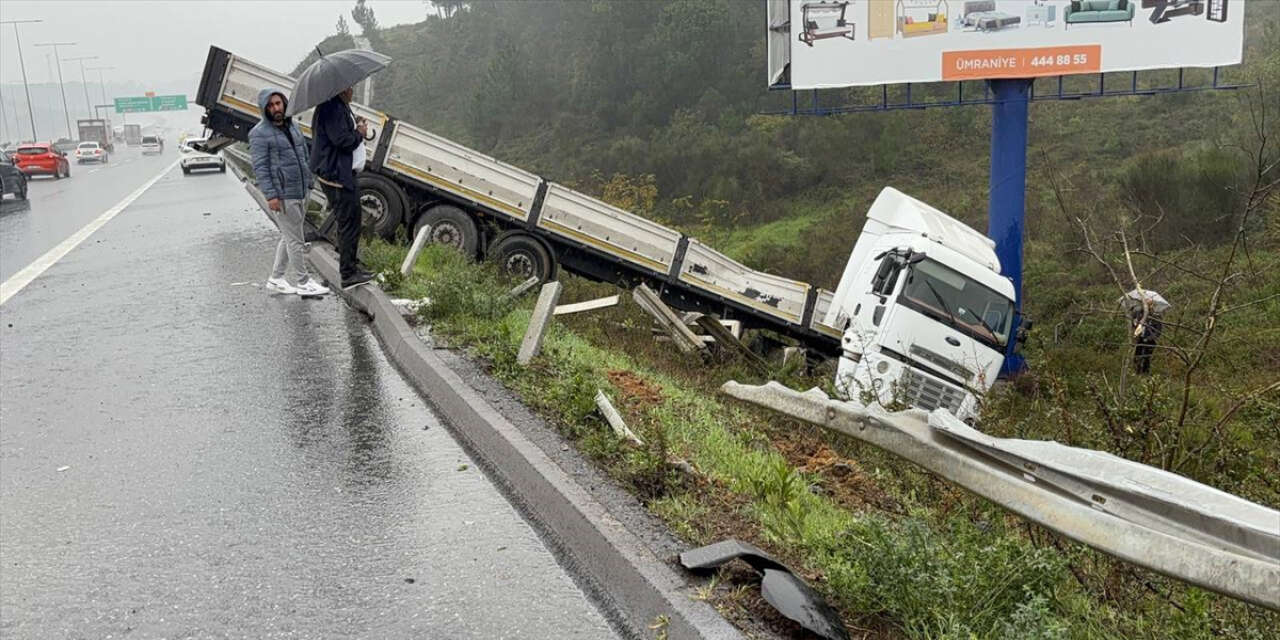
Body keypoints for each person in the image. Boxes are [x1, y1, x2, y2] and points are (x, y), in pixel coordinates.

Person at [249, 87, 329, 297]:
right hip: (283, 194)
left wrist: (310, 182)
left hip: (301, 189)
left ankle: (276, 278)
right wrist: (271, 196)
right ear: (264, 109)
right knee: (295, 239)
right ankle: (303, 281)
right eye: (271, 105)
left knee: (288, 236)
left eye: (278, 103)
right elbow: (260, 167)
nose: (276, 108)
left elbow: (304, 154)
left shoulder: (293, 126)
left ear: (284, 103)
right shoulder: (258, 133)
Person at [310, 86, 375, 289]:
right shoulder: (332, 108)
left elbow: (341, 134)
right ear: (340, 88)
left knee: (352, 221)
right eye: (349, 87)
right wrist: (359, 132)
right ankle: (348, 273)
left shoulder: (338, 106)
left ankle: (352, 267)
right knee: (349, 222)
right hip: (336, 176)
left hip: (341, 173)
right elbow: (343, 141)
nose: (352, 90)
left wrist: (355, 125)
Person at [1130, 307, 1163, 375]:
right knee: (1137, 355)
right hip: (1140, 339)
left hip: (1150, 341)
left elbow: (1158, 332)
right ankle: (1137, 371)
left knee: (1146, 357)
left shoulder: (1156, 317)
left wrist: (1149, 338)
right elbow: (1135, 325)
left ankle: (1145, 373)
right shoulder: (1140, 315)